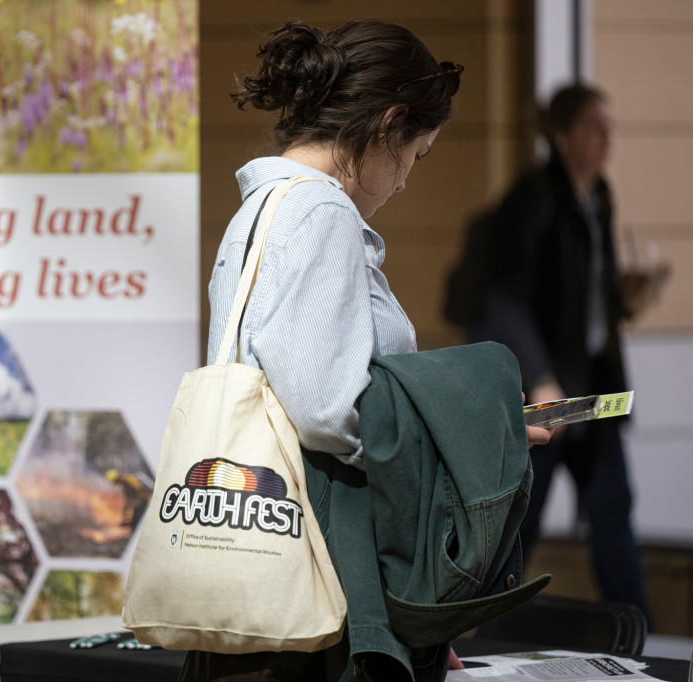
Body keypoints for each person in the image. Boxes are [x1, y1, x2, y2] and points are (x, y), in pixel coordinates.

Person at [179, 18, 551, 682]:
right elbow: (325, 411)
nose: (407, 179)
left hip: (259, 560)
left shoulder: (260, 212)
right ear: (388, 125)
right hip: (321, 583)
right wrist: (465, 434)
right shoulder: (320, 214)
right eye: (417, 153)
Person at [467, 83, 652, 623]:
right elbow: (504, 299)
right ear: (565, 135)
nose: (606, 139)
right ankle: (478, 626)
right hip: (551, 392)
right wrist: (541, 377)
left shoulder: (599, 195)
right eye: (595, 127)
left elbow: (585, 292)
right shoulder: (533, 199)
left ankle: (638, 630)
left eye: (609, 128)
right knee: (523, 518)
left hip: (597, 388)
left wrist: (624, 297)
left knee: (612, 508)